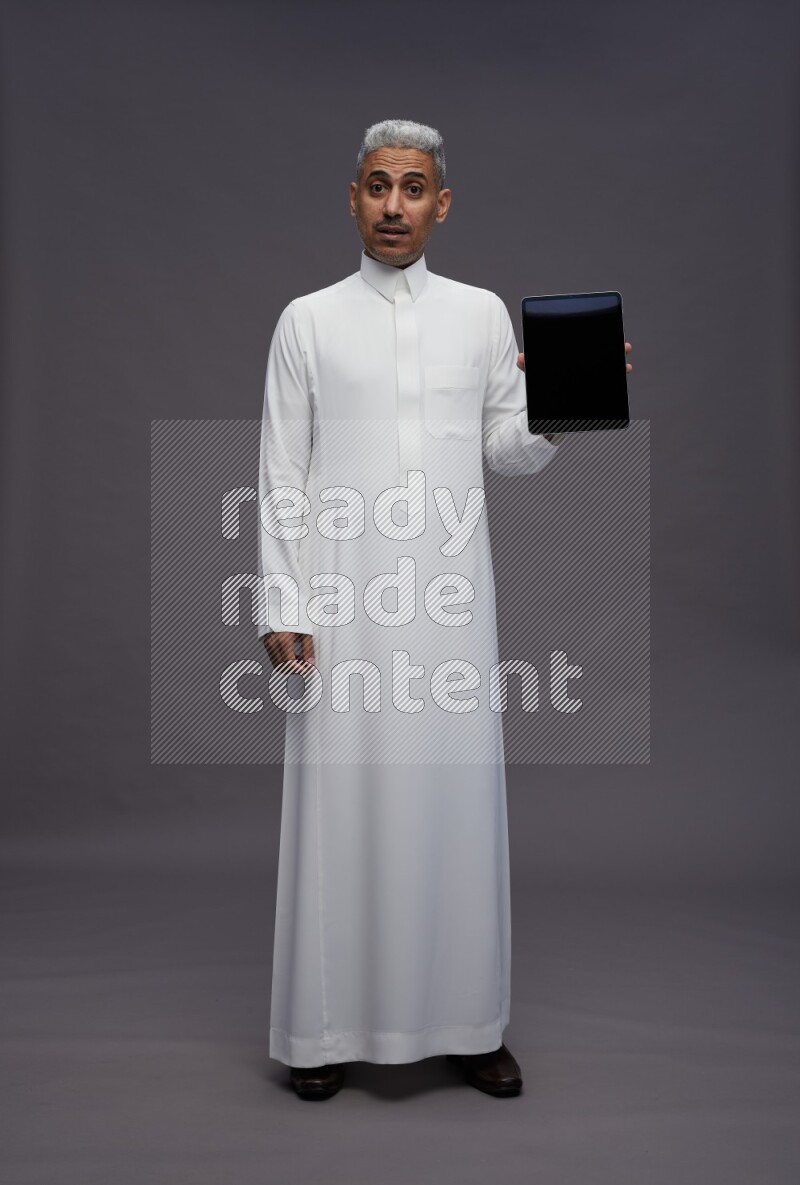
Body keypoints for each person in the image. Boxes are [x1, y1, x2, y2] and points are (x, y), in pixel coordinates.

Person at [256, 119, 633, 1101]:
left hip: (451, 602)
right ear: (351, 198)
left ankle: (468, 1024)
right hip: (342, 602)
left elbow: (507, 449)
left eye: (411, 188)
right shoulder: (306, 320)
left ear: (440, 204)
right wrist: (282, 601)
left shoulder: (476, 318)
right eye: (376, 186)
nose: (392, 205)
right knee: (342, 807)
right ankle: (322, 1032)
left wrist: (563, 403)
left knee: (454, 802)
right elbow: (280, 474)